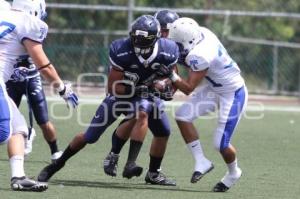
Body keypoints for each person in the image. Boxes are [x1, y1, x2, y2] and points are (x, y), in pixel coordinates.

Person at [37, 15, 178, 186]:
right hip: (122, 94)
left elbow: (173, 79)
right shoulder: (121, 49)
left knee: (157, 125)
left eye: (144, 40)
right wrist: (138, 88)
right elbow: (113, 88)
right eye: (136, 38)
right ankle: (57, 164)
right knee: (90, 136)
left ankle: (141, 168)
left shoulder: (169, 49)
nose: (139, 44)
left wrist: (166, 85)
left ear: (156, 38)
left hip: (146, 96)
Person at [160, 17, 248, 192]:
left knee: (220, 143)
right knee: (182, 115)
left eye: (176, 43)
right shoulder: (202, 33)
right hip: (214, 88)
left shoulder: (199, 54)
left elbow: (188, 88)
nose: (174, 46)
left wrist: (171, 76)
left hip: (233, 92)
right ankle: (201, 161)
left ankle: (233, 172)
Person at [0, 0, 78, 191]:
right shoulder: (29, 23)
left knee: (19, 129)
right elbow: (43, 64)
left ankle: (18, 177)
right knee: (3, 132)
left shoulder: (4, 11)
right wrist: (62, 88)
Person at [103, 10, 180, 180]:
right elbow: (115, 83)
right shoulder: (130, 47)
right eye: (166, 30)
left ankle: (153, 173)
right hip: (128, 91)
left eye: (171, 31)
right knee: (137, 115)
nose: (169, 35)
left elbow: (173, 77)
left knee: (163, 131)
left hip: (150, 94)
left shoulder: (170, 48)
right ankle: (116, 156)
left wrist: (168, 89)